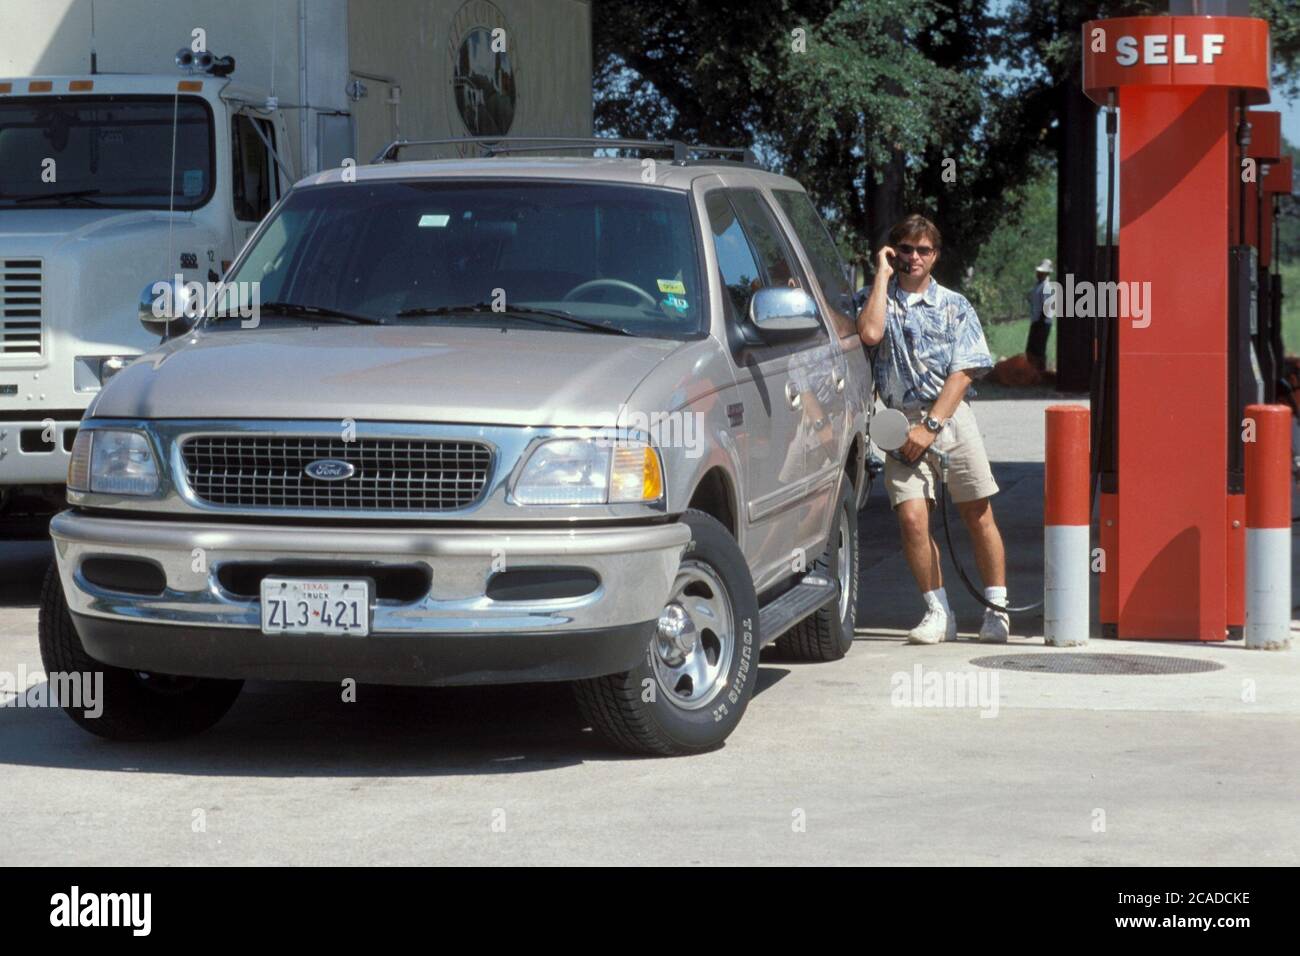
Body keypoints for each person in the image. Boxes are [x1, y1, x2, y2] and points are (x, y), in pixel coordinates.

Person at [856, 214, 1010, 644]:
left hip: (949, 417)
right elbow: (869, 333)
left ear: (935, 256)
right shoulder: (875, 298)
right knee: (911, 518)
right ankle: (938, 612)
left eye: (923, 250)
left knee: (977, 513)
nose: (914, 257)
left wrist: (931, 426)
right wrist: (881, 276)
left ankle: (997, 611)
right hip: (899, 421)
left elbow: (963, 372)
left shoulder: (955, 305)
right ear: (893, 251)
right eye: (905, 248)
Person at [1025, 258, 1054, 372]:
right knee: (1033, 348)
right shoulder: (1038, 286)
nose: (1038, 274)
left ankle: (1040, 372)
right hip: (1036, 320)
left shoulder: (1047, 287)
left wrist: (1039, 322)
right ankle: (1034, 371)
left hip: (1042, 322)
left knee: (1038, 348)